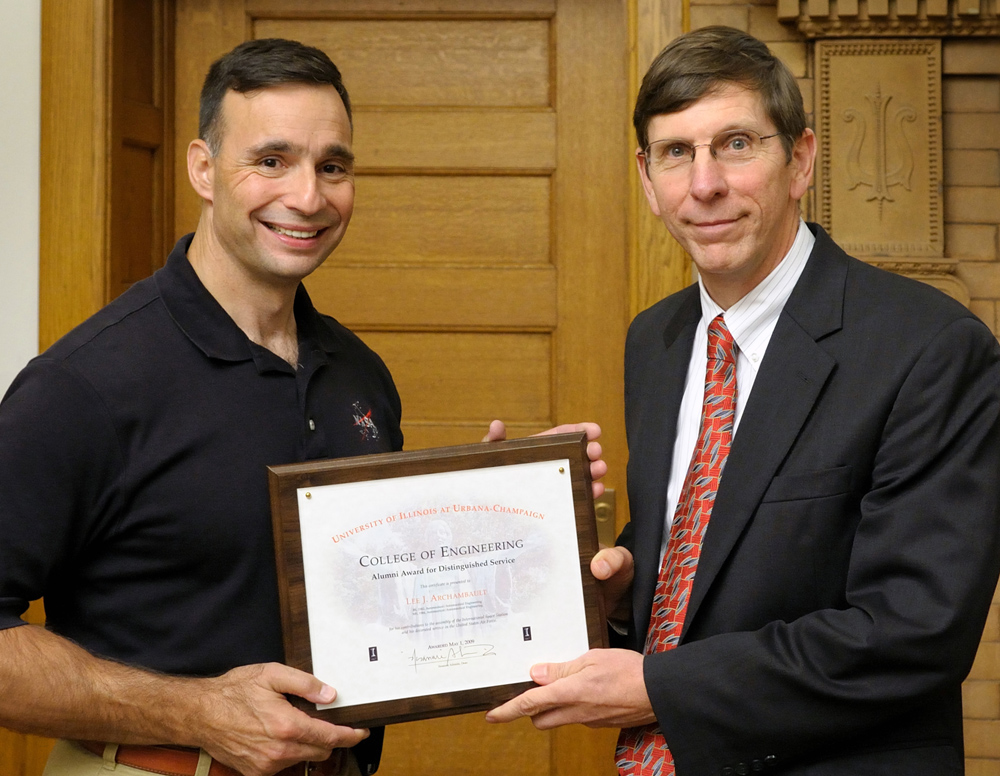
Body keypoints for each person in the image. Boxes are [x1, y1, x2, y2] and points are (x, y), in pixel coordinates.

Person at [0, 38, 605, 776]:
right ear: (203, 168)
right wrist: (196, 711)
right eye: (271, 161)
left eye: (333, 166)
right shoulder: (83, 385)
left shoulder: (358, 374)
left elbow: (372, 605)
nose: (308, 197)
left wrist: (509, 510)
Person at [486, 26, 1000, 776]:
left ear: (800, 160)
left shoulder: (930, 346)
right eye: (676, 153)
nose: (704, 185)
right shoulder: (655, 340)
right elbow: (714, 546)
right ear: (646, 176)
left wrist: (659, 688)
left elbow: (914, 631)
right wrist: (616, 580)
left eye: (734, 144)